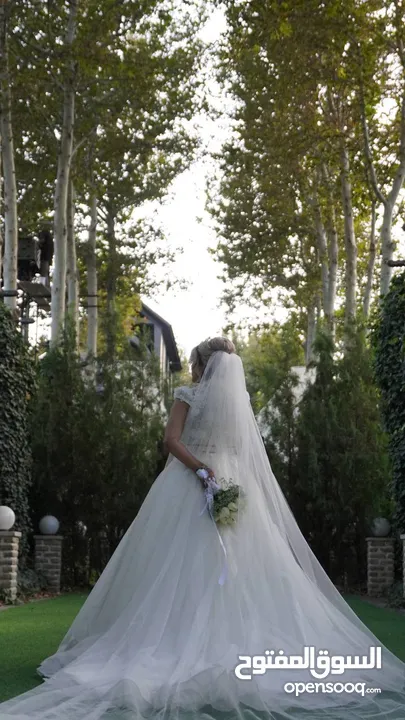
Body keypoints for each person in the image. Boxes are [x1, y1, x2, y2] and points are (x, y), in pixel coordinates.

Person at [1, 337, 405, 720]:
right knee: (233, 567)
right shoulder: (238, 401)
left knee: (176, 563)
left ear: (203, 365)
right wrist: (221, 475)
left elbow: (171, 441)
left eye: (195, 363)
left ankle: (169, 640)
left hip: (192, 481)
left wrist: (199, 470)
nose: (193, 370)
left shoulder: (188, 396)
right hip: (234, 481)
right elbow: (243, 449)